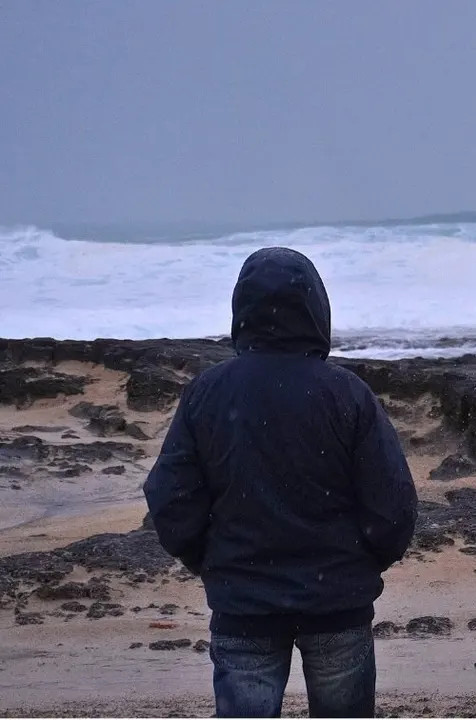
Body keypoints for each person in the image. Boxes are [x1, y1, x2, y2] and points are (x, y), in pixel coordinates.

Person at [143, 247, 419, 718]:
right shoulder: (346, 392)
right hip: (335, 600)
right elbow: (392, 505)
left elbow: (171, 498)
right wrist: (360, 563)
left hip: (245, 601)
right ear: (316, 309)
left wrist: (210, 560)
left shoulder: (208, 391)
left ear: (242, 310)